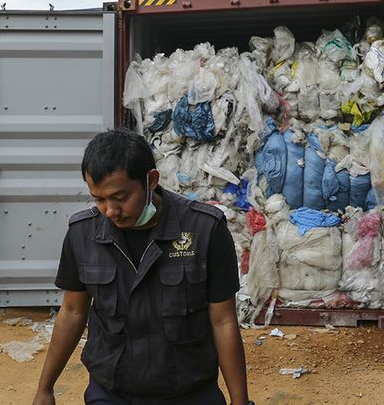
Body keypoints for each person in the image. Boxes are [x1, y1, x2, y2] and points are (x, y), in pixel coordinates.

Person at [33, 128, 252, 405]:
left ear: (151, 180)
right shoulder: (82, 234)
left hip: (189, 390)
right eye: (99, 199)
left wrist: (240, 401)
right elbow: (73, 311)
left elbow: (223, 321)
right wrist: (45, 389)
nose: (110, 211)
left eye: (120, 197)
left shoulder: (204, 230)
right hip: (113, 391)